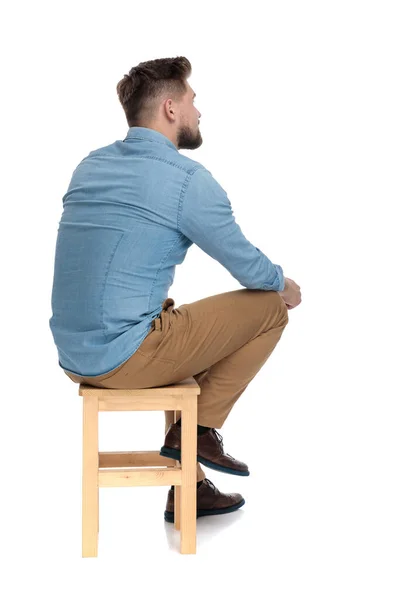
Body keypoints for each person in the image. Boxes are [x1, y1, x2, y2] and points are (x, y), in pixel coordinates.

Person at [49, 56, 302, 524]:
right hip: (126, 356)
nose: (198, 111)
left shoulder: (90, 165)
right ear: (169, 108)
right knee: (269, 308)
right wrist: (285, 285)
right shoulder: (187, 181)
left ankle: (192, 486)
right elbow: (246, 266)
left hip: (73, 353)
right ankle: (197, 430)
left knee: (175, 317)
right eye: (192, 100)